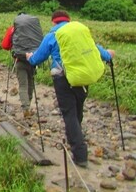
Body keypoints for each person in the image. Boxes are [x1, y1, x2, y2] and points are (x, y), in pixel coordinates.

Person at [26, 10, 115, 168]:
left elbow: (37, 59)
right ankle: (76, 137)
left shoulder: (52, 35)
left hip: (63, 79)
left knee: (69, 114)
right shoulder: (79, 33)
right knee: (78, 110)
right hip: (82, 78)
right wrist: (107, 55)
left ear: (53, 22)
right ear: (69, 20)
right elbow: (95, 49)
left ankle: (80, 154)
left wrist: (29, 57)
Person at [1, 13, 43, 118]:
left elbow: (5, 45)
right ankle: (28, 104)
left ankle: (26, 109)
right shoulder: (34, 29)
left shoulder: (13, 29)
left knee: (23, 85)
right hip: (33, 60)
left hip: (20, 60)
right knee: (31, 83)